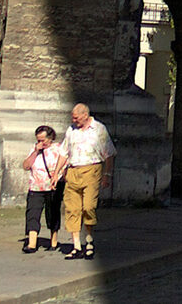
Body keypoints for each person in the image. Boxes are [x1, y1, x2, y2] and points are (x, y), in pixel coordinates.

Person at [59, 103, 116, 260]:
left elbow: (109, 153)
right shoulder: (71, 130)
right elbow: (63, 152)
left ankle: (89, 240)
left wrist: (107, 174)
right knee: (72, 209)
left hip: (92, 169)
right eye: (73, 118)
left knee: (88, 207)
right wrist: (56, 171)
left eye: (76, 117)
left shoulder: (99, 129)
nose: (74, 120)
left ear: (85, 115)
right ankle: (76, 246)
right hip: (73, 170)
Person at [20, 126, 66, 255]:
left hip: (52, 186)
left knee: (52, 213)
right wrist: (35, 152)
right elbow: (26, 166)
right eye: (38, 140)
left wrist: (58, 177)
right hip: (35, 186)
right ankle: (32, 243)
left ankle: (53, 240)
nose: (40, 143)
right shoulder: (34, 149)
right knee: (32, 213)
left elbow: (64, 165)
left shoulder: (58, 149)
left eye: (43, 140)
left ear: (50, 138)